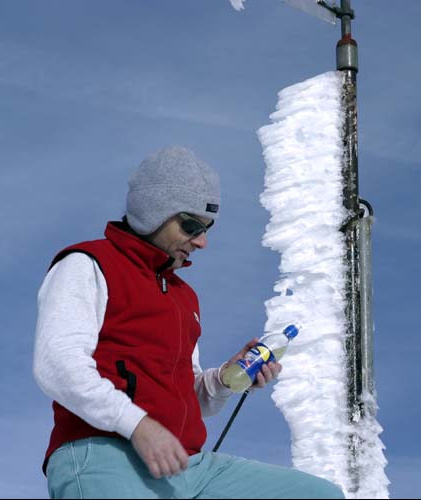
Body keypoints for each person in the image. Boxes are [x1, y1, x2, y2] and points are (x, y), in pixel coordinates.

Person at [33, 146, 344, 499]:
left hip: (184, 465)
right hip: (107, 454)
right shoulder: (89, 264)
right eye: (192, 224)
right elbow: (58, 365)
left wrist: (228, 379)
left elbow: (191, 396)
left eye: (207, 228)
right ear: (154, 210)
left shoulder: (182, 296)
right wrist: (137, 426)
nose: (202, 241)